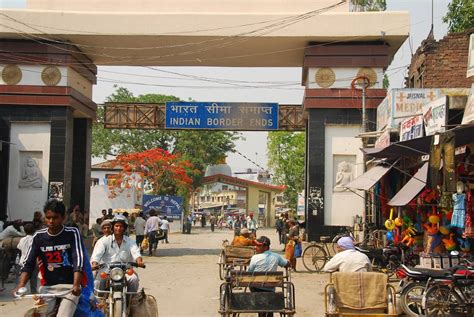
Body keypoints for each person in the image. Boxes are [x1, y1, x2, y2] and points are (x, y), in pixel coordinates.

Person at [14, 199, 86, 315]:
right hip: (48, 288)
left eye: (55, 217)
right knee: (37, 313)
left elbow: (78, 259)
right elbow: (29, 263)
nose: (51, 221)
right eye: (48, 217)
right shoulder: (38, 236)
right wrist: (21, 285)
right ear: (44, 217)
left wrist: (76, 285)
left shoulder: (72, 233)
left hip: (70, 287)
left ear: (63, 218)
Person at [91, 214, 144, 293]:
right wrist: (94, 263)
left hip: (125, 270)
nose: (118, 228)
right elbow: (97, 255)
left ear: (124, 228)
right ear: (113, 227)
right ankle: (99, 303)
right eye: (116, 226)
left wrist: (139, 261)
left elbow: (135, 252)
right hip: (106, 270)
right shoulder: (103, 241)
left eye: (121, 226)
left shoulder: (130, 241)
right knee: (98, 282)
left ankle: (131, 302)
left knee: (134, 279)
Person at [248, 236, 290, 317]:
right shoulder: (276, 256)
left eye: (258, 246)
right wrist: (289, 263)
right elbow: (286, 264)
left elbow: (249, 273)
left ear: (266, 247)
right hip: (270, 289)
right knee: (269, 299)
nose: (256, 247)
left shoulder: (255, 257)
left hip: (256, 289)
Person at [16, 223, 38, 293]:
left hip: (22, 262)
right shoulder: (35, 239)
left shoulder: (22, 239)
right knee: (33, 279)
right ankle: (34, 291)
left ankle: (19, 291)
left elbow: (19, 248)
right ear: (34, 230)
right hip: (33, 262)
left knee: (21, 278)